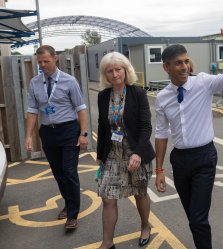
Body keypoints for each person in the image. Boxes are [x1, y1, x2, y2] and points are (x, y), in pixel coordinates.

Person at [154, 13, 223, 249]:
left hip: (204, 157)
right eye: (178, 63)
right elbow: (161, 134)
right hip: (180, 160)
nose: (185, 66)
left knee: (197, 218)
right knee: (192, 218)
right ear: (166, 67)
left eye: (186, 61)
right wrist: (159, 169)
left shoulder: (204, 82)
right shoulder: (163, 98)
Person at [96, 52, 155, 249]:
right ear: (106, 74)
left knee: (140, 192)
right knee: (107, 198)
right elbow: (102, 126)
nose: (114, 74)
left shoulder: (138, 93)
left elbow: (146, 126)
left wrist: (138, 154)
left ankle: (145, 226)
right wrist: (99, 155)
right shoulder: (104, 95)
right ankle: (107, 243)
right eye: (110, 71)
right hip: (113, 154)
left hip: (136, 151)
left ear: (126, 70)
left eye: (118, 69)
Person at [25, 45, 88, 229]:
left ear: (55, 59)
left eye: (46, 61)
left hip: (69, 131)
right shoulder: (35, 83)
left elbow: (80, 109)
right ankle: (68, 204)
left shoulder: (69, 81)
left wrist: (83, 134)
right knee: (58, 173)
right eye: (40, 62)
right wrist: (28, 136)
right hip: (48, 132)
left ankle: (72, 215)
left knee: (69, 172)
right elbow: (32, 110)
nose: (42, 65)